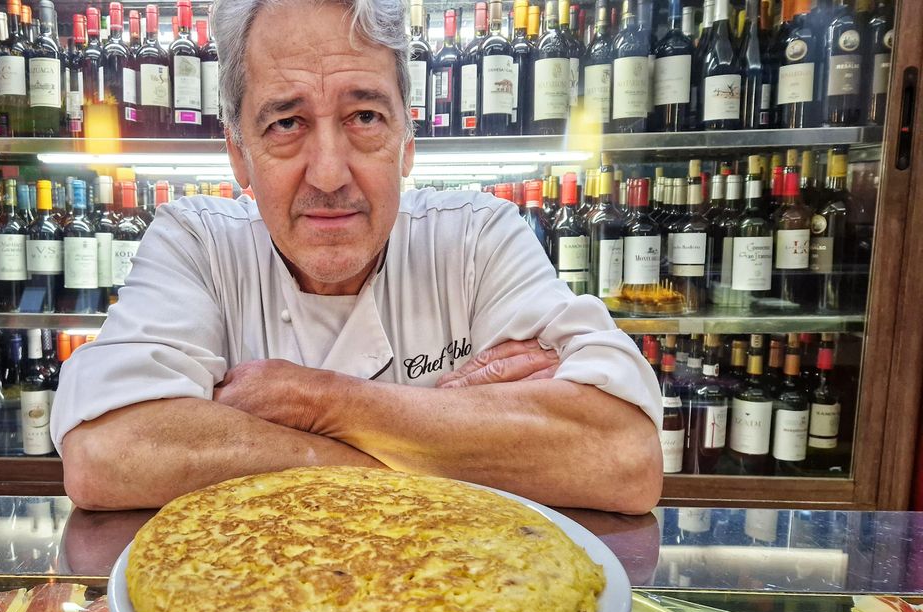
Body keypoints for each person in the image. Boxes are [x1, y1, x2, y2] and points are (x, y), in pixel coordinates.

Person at [52, 0, 663, 514]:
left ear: (406, 142)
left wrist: (316, 400)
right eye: (286, 123)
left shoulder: (477, 237)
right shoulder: (198, 243)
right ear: (238, 155)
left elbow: (621, 454)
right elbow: (110, 451)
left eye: (364, 116)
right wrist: (442, 441)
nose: (328, 173)